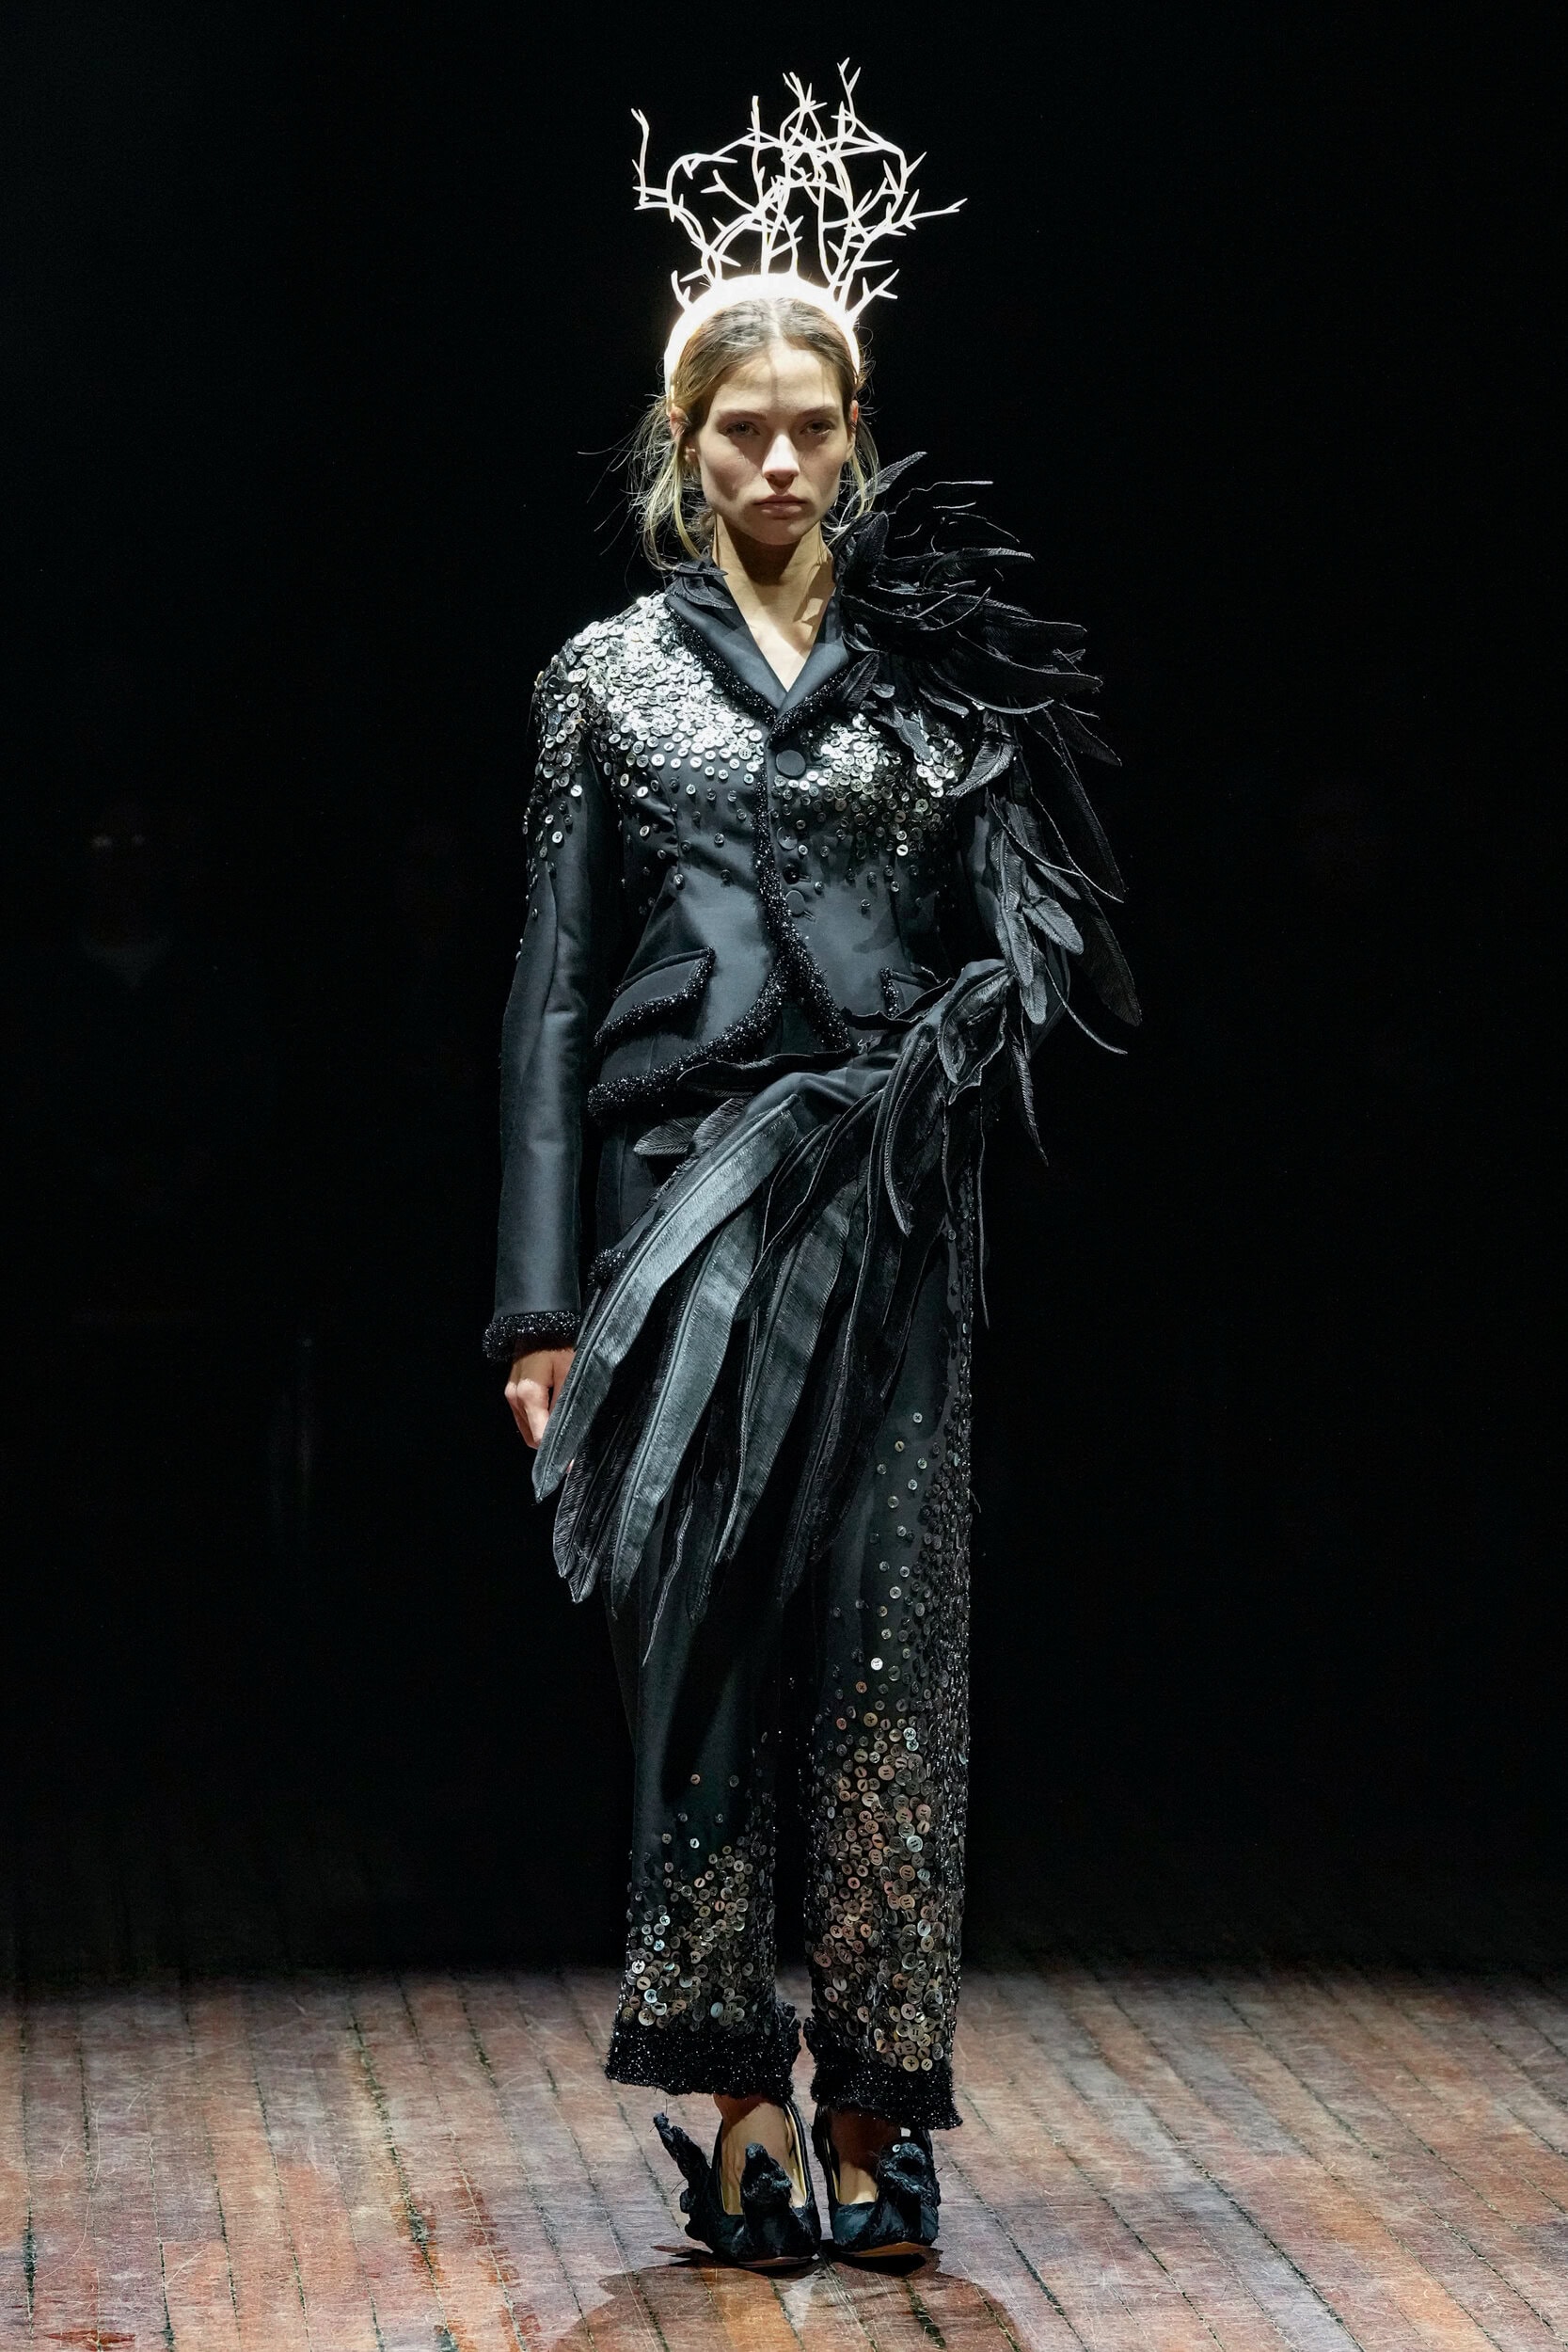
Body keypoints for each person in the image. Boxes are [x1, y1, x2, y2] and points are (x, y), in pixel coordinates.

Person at [486, 72, 1135, 2268]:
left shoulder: (931, 681)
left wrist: (1001, 995)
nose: (777, 462)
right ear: (687, 448)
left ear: (855, 437)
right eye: (739, 431)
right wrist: (538, 1310)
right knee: (697, 1653)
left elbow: (1022, 923)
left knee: (887, 1650)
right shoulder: (604, 682)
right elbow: (550, 1002)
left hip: (887, 1208)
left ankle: (872, 2096)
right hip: (679, 1212)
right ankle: (735, 2095)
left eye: (809, 428)